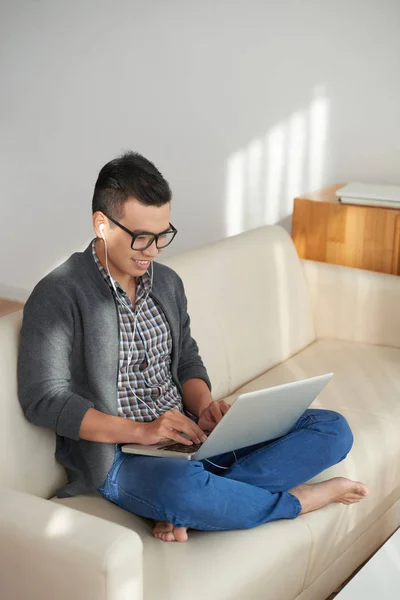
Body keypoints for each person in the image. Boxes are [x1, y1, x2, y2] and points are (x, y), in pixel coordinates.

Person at [18, 151, 368, 543]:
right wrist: (143, 431)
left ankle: (198, 507)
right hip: (122, 456)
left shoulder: (166, 284)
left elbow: (186, 359)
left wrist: (205, 409)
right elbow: (44, 399)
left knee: (331, 429)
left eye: (162, 236)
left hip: (190, 439)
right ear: (102, 224)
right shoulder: (58, 294)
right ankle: (297, 501)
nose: (152, 251)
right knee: (181, 487)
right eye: (141, 237)